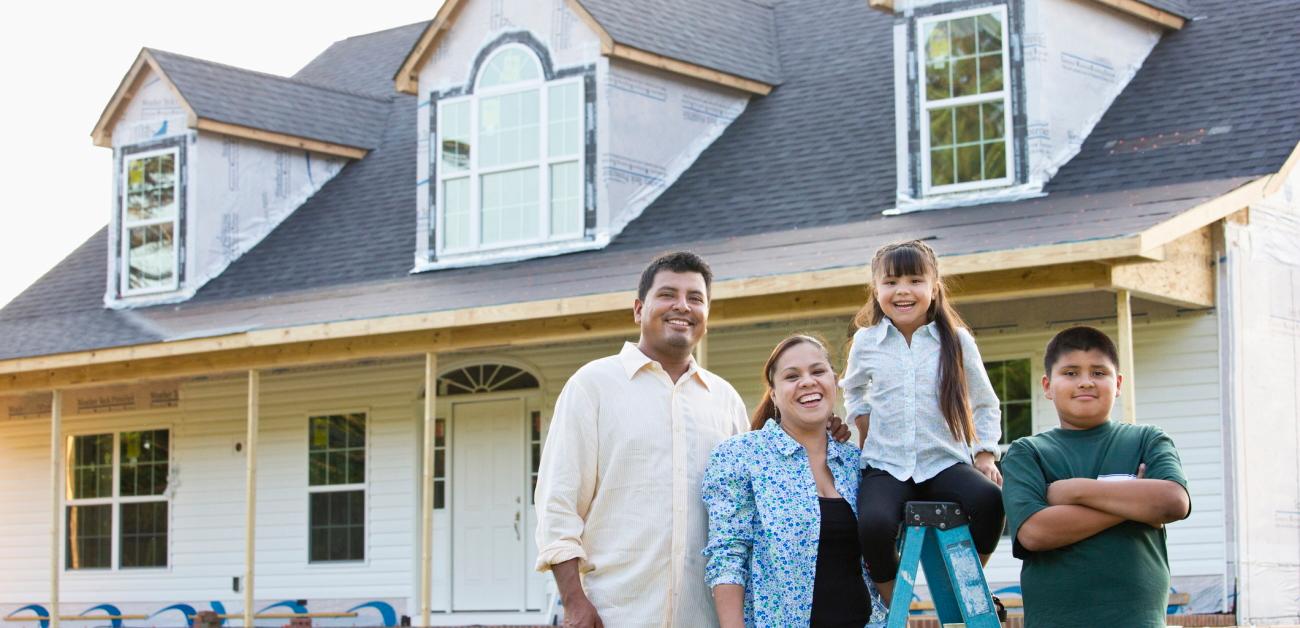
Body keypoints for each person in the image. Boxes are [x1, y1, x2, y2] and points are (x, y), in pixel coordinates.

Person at [534, 251, 850, 627]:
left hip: (705, 617)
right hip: (616, 613)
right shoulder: (593, 386)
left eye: (695, 298)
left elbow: (757, 500)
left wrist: (828, 431)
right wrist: (574, 601)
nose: (682, 306)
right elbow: (557, 506)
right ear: (638, 309)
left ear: (706, 315)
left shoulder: (724, 399)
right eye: (668, 294)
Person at [840, 239, 1004, 607]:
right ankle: (893, 601)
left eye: (915, 280)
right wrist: (862, 424)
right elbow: (852, 391)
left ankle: (969, 583)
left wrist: (985, 455)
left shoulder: (956, 341)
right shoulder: (867, 342)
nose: (902, 291)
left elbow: (984, 402)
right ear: (876, 289)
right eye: (891, 281)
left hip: (943, 460)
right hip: (886, 463)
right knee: (873, 525)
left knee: (990, 500)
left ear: (933, 288)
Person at [1001, 326, 1191, 627]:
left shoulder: (1147, 439)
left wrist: (1075, 491)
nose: (1086, 382)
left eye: (1099, 373)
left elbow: (1173, 502)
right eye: (1071, 373)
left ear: (1117, 384)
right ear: (1048, 386)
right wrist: (1135, 500)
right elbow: (1035, 533)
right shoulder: (1028, 452)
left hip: (1138, 621)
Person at [703, 334, 887, 628]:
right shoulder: (741, 456)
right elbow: (728, 556)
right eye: (792, 376)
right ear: (774, 394)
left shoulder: (858, 463)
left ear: (833, 381)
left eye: (817, 371)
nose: (807, 382)